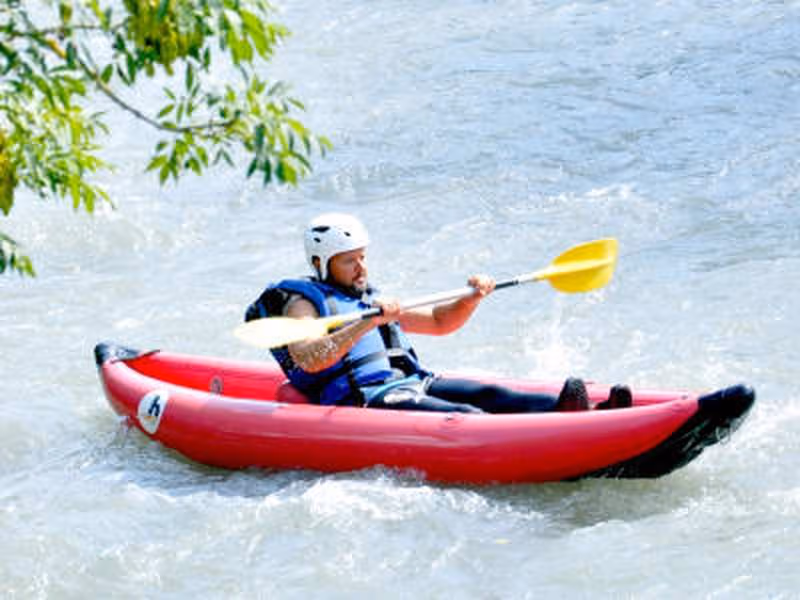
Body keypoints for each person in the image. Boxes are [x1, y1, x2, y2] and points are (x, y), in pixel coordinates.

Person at [245, 213, 631, 413]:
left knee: (491, 393)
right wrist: (367, 323)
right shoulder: (303, 304)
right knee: (463, 412)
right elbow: (310, 359)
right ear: (320, 262)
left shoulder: (368, 298)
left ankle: (589, 414)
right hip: (368, 399)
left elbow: (440, 323)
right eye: (349, 262)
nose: (361, 269)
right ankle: (560, 437)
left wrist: (471, 299)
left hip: (414, 381)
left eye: (363, 258)